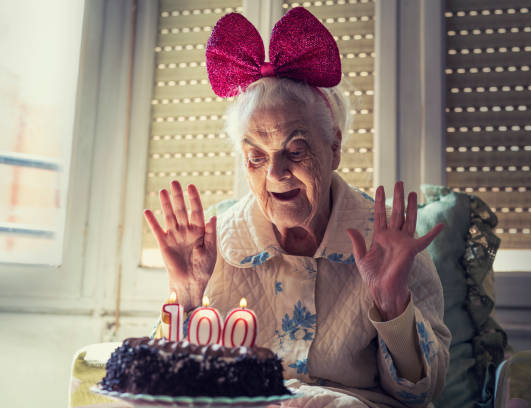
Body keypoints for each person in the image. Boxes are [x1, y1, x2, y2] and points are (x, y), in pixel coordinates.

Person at [145, 7, 450, 408]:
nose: (276, 172)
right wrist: (185, 292)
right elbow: (163, 382)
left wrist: (392, 305)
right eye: (256, 157)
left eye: (296, 149)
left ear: (335, 147)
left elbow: (422, 393)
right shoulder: (215, 248)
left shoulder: (390, 246)